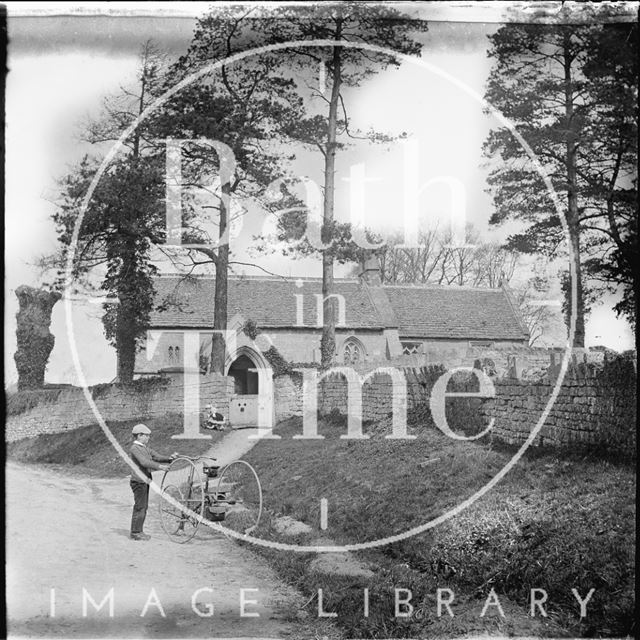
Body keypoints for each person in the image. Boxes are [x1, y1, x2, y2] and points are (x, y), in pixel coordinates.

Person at [129, 423, 177, 541]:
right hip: (138, 482)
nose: (148, 438)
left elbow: (157, 456)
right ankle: (135, 532)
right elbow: (144, 462)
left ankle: (138, 530)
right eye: (146, 435)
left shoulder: (144, 448)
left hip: (144, 481)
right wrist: (160, 467)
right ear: (139, 435)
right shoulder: (135, 448)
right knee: (140, 507)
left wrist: (169, 458)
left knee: (143, 506)